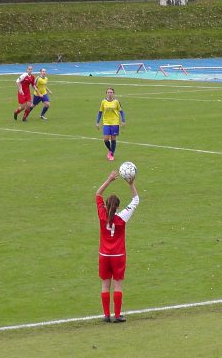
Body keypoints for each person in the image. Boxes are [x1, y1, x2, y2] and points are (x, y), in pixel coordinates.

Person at [96, 170, 139, 323]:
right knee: (118, 285)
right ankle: (118, 315)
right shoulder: (122, 217)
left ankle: (106, 315)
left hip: (104, 255)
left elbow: (98, 194)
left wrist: (109, 180)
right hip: (118, 256)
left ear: (107, 205)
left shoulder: (102, 215)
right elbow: (136, 200)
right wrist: (131, 184)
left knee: (105, 285)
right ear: (118, 206)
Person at [96, 87, 126, 161]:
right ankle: (110, 150)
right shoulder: (103, 102)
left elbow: (121, 111)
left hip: (115, 122)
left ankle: (112, 154)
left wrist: (123, 120)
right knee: (106, 139)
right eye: (108, 92)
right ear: (106, 93)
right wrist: (97, 122)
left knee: (113, 138)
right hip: (106, 122)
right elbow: (100, 112)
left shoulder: (116, 102)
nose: (110, 94)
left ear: (113, 93)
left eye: (111, 92)